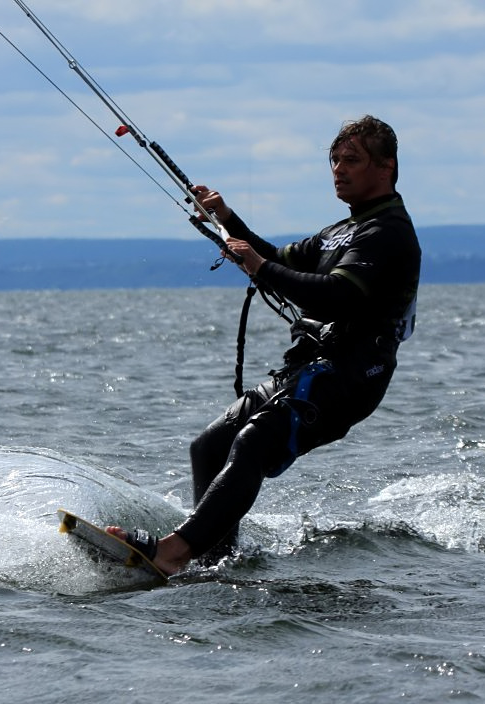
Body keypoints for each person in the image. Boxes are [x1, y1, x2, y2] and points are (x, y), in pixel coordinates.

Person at [108, 115, 421, 576]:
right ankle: (217, 561)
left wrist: (257, 266)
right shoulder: (342, 230)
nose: (338, 168)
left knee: (254, 442)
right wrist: (227, 219)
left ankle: (174, 552)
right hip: (310, 367)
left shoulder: (388, 232)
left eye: (351, 160)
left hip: (351, 375)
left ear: (386, 166)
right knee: (210, 446)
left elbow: (335, 294)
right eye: (333, 159)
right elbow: (275, 259)